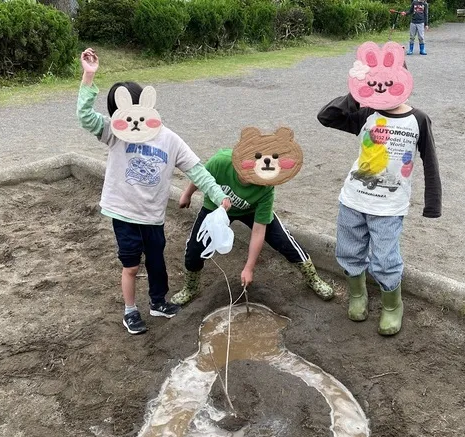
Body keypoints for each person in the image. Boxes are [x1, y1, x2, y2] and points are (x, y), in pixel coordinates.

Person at [76, 48, 231, 335]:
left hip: (153, 215)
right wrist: (89, 76)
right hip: (123, 212)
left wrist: (217, 193)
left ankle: (158, 302)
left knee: (158, 262)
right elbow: (85, 116)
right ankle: (130, 311)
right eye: (121, 115)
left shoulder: (169, 139)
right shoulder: (114, 132)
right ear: (117, 115)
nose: (131, 122)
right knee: (132, 266)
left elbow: (196, 168)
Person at [317, 41, 442, 336]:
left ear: (402, 80)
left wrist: (432, 203)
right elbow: (326, 116)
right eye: (376, 83)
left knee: (386, 259)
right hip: (353, 198)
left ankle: (391, 305)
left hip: (389, 206)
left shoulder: (418, 120)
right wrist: (359, 93)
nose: (382, 88)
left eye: (388, 82)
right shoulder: (366, 114)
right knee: (349, 251)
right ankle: (358, 294)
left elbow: (430, 161)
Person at [171, 127, 335, 306]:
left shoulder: (266, 186)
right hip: (216, 208)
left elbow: (258, 231)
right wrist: (187, 194)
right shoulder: (221, 161)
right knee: (195, 248)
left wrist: (249, 268)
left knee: (284, 241)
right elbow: (200, 177)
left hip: (250, 210)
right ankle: (191, 287)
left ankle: (312, 278)